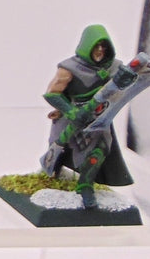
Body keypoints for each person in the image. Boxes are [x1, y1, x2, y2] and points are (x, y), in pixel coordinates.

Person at [40, 26, 137, 207]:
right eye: (96, 46)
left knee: (99, 150)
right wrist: (72, 112)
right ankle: (53, 170)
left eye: (104, 46)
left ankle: (85, 185)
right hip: (72, 116)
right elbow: (52, 94)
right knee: (60, 148)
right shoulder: (70, 68)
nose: (100, 50)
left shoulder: (114, 67)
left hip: (98, 117)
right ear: (87, 45)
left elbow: (124, 89)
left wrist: (127, 80)